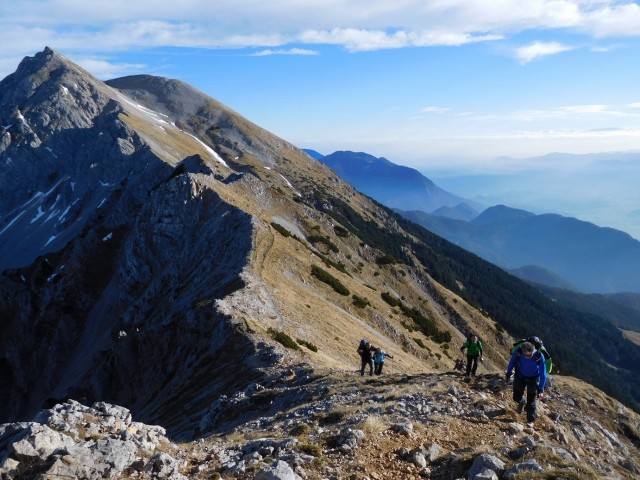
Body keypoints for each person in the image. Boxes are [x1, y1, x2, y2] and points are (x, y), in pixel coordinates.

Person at [505, 341, 547, 425]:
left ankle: (530, 421)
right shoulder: (518, 352)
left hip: (534, 378)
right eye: (526, 355)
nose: (528, 356)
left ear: (533, 350)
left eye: (530, 354)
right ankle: (522, 401)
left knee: (531, 400)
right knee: (516, 397)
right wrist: (508, 373)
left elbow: (543, 373)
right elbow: (512, 361)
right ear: (523, 351)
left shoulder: (539, 356)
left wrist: (541, 389)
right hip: (520, 375)